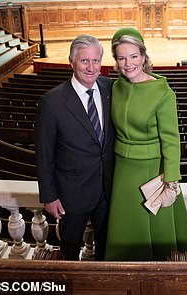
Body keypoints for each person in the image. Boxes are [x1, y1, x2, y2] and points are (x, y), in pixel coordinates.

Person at [105, 28, 187, 261]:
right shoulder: (116, 87)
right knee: (125, 230)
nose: (128, 63)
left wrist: (171, 182)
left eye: (133, 56)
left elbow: (172, 141)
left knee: (156, 237)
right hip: (122, 170)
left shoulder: (163, 93)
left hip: (152, 172)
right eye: (121, 57)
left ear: (144, 57)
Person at [36, 34, 115, 261]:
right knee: (69, 249)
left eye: (96, 61)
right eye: (84, 61)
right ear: (71, 62)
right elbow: (44, 154)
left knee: (105, 248)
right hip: (71, 195)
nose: (91, 68)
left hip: (108, 191)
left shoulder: (110, 88)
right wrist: (49, 196)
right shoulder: (51, 102)